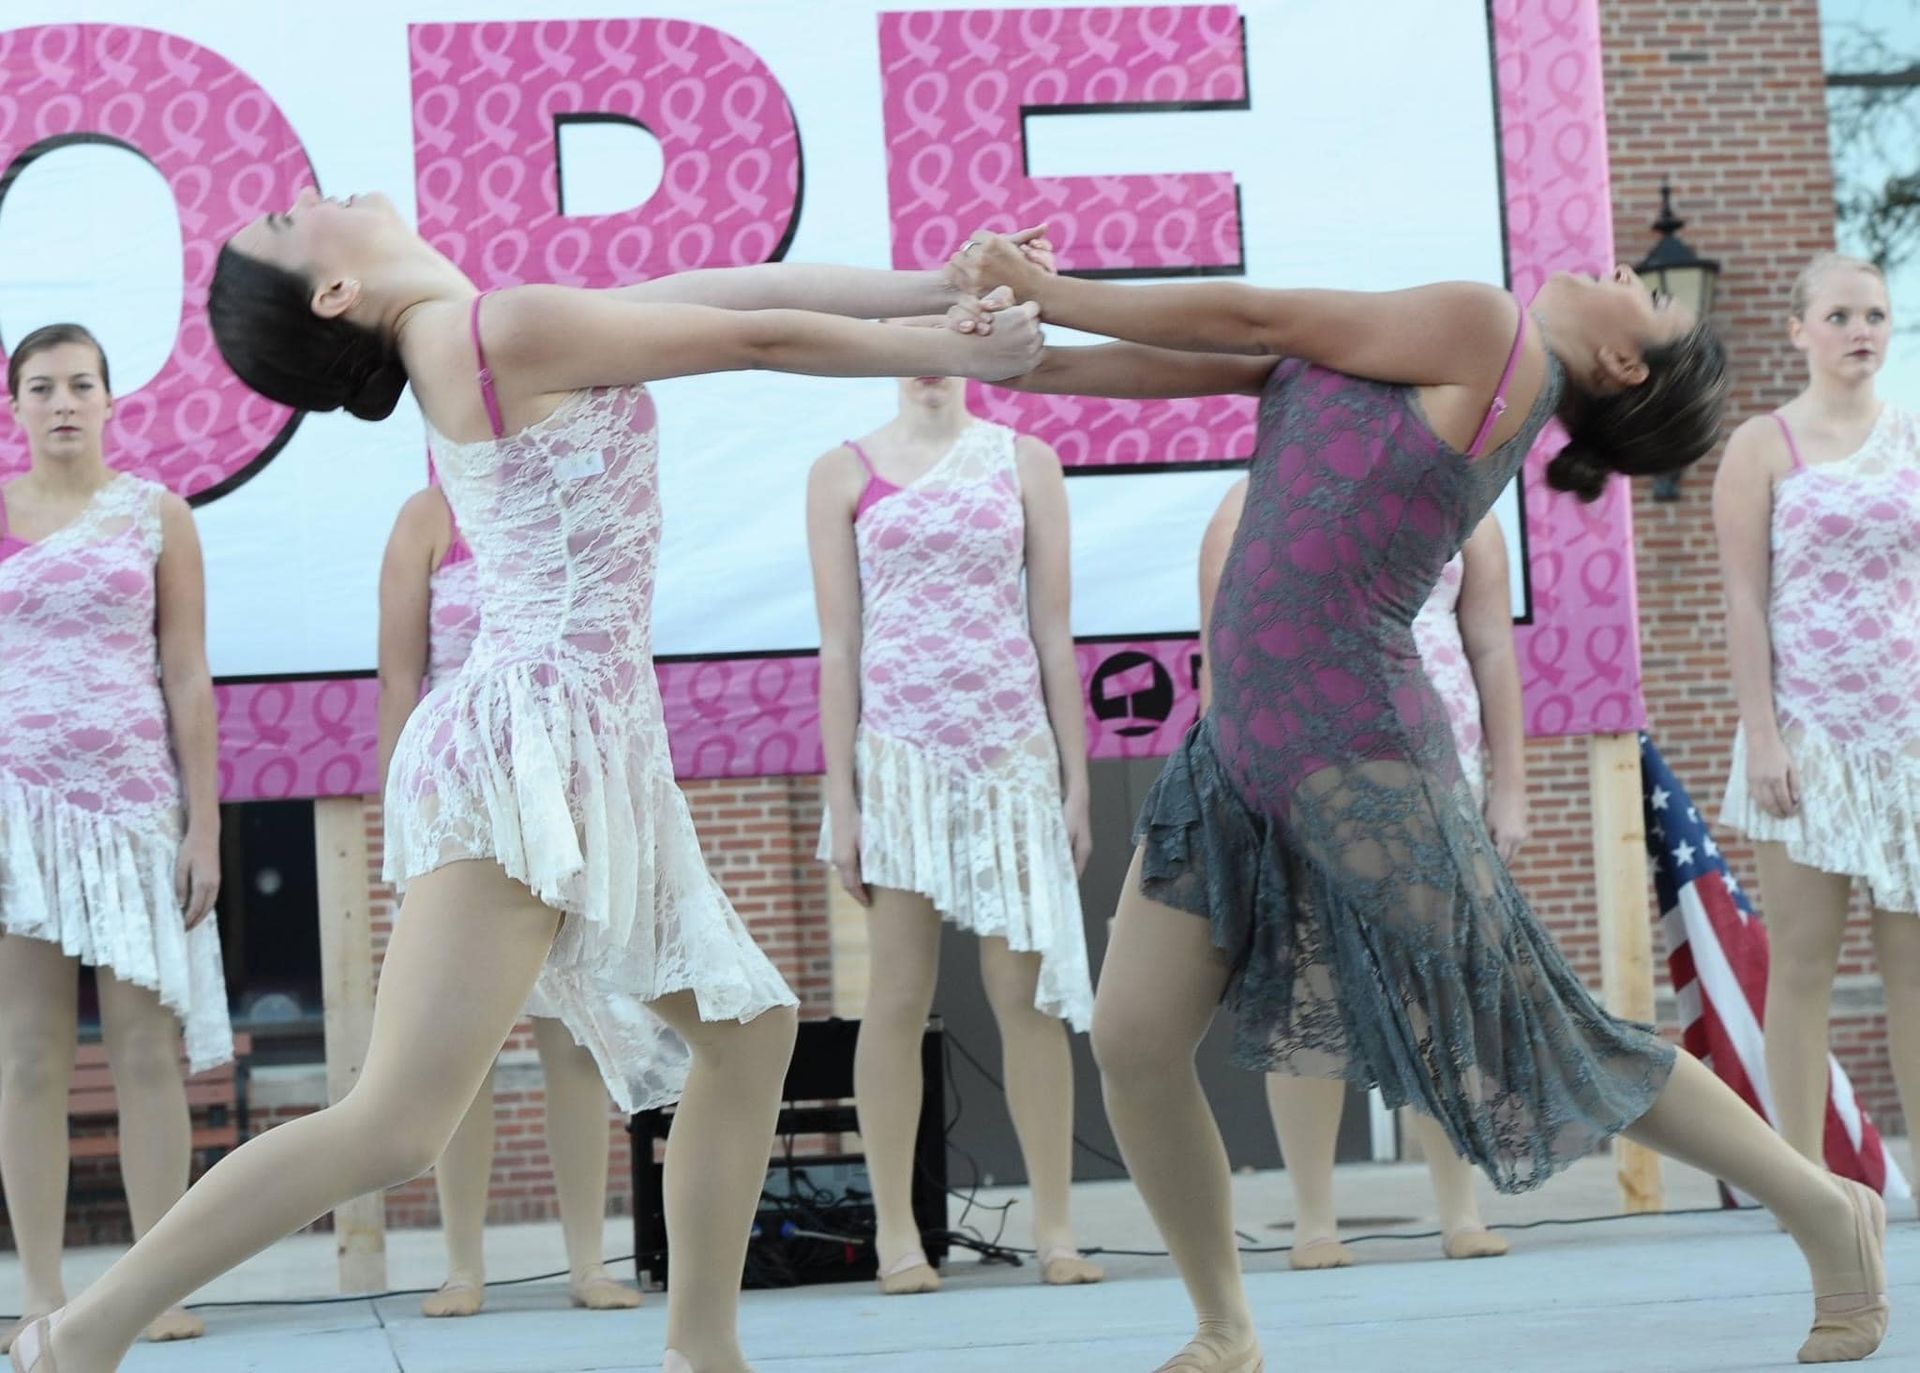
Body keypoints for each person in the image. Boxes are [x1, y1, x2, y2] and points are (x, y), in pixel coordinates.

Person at [5, 189, 1042, 1373]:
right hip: (523, 749)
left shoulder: (497, 326)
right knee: (396, 1122)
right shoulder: (485, 333)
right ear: (334, 292)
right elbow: (756, 341)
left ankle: (704, 1351)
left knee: (748, 1031)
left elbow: (741, 291)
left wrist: (938, 290)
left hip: (594, 742)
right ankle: (84, 1332)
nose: (316, 195)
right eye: (293, 223)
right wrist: (957, 350)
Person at [948, 232, 1886, 1372]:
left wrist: (1053, 289)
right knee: (1137, 1039)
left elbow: (1253, 319)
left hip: (1358, 747)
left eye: (1652, 302)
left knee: (1540, 1024)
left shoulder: (1493, 332)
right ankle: (1225, 1328)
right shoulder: (1444, 356)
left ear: (1625, 365)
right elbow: (1226, 366)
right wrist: (1027, 359)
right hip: (1241, 741)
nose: (1633, 275)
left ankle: (1824, 1207)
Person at [807, 335, 1101, 1293]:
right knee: (896, 995)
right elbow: (839, 648)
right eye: (916, 343)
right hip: (898, 756)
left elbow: (1053, 630)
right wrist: (841, 800)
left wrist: (1074, 775)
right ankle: (897, 1233)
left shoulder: (1027, 461)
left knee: (1025, 999)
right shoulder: (840, 473)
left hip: (1009, 748)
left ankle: (1056, 1228)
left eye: (951, 341)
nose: (932, 361)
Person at [1198, 488, 1524, 1268]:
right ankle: (1314, 1220)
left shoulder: (1461, 497)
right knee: (1305, 990)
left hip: (1434, 769)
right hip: (1302, 772)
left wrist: (1508, 784)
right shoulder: (1246, 504)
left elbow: (1491, 648)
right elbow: (1224, 662)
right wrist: (1239, 789)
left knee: (1439, 987)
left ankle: (1460, 1208)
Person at [0, 324, 227, 1357]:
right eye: (40, 386)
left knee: (145, 1046)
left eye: (78, 384)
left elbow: (186, 671)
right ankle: (41, 1288)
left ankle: (152, 1277)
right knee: (31, 1056)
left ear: (108, 398)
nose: (61, 402)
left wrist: (205, 823)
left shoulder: (157, 515)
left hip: (137, 808)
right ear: (15, 405)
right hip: (20, 813)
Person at [376, 482, 640, 1316]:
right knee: (462, 1046)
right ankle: (462, 1265)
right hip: (460, 801)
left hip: (560, 793)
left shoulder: (568, 504)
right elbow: (399, 682)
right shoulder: (424, 516)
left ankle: (590, 1261)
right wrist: (410, 824)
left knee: (574, 1039)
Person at [1714, 252, 1920, 1196]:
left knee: (1914, 967)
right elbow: (1746, 601)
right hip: (1805, 735)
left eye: (1874, 314)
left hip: (1908, 736)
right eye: (1838, 315)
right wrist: (1762, 733)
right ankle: (1802, 1183)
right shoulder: (1764, 445)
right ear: (1799, 331)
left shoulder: (1912, 436)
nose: (1860, 331)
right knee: (1802, 965)